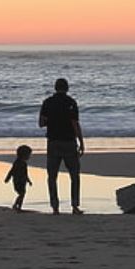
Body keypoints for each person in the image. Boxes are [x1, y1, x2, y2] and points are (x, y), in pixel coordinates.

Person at [39, 78, 85, 215]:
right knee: (74, 175)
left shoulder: (47, 102)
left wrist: (52, 120)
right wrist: (81, 142)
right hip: (69, 142)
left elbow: (41, 123)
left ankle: (55, 207)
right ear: (67, 88)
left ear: (55, 87)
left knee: (52, 176)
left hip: (53, 142)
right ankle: (75, 206)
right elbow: (75, 124)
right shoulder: (71, 102)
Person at [4, 145, 33, 212]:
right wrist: (7, 178)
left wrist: (28, 181)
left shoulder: (19, 162)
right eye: (28, 155)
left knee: (22, 194)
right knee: (22, 194)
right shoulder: (20, 163)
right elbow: (12, 171)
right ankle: (16, 205)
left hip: (21, 181)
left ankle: (18, 206)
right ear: (24, 155)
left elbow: (24, 174)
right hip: (19, 181)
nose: (29, 157)